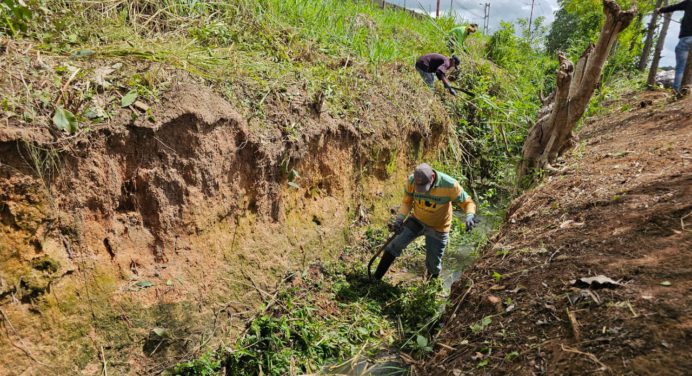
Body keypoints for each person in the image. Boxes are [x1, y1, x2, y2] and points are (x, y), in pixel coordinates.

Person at [373, 163, 477, 280]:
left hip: (439, 227)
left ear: (432, 177)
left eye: (425, 187)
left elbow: (467, 202)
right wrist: (399, 220)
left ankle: (430, 290)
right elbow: (407, 202)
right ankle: (375, 279)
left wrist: (469, 215)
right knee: (394, 245)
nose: (423, 192)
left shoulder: (450, 185)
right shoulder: (412, 181)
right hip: (417, 220)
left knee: (433, 264)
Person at [658, 1, 692, 93]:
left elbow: (673, 7)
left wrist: (660, 10)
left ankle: (676, 91)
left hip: (686, 38)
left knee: (680, 67)